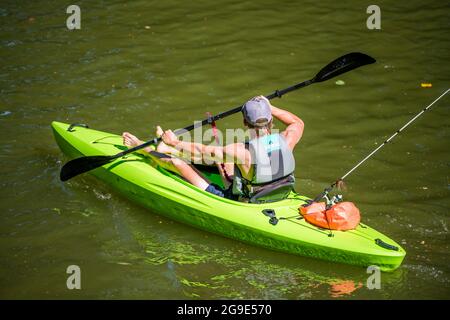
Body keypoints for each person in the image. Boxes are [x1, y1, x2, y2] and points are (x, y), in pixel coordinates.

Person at [122, 95, 304, 201]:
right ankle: (168, 149)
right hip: (280, 194)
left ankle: (140, 146)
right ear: (271, 119)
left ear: (244, 122)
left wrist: (175, 141)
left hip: (247, 201)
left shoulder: (240, 151)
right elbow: (297, 122)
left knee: (178, 163)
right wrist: (269, 106)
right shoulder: (288, 139)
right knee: (221, 162)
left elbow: (204, 152)